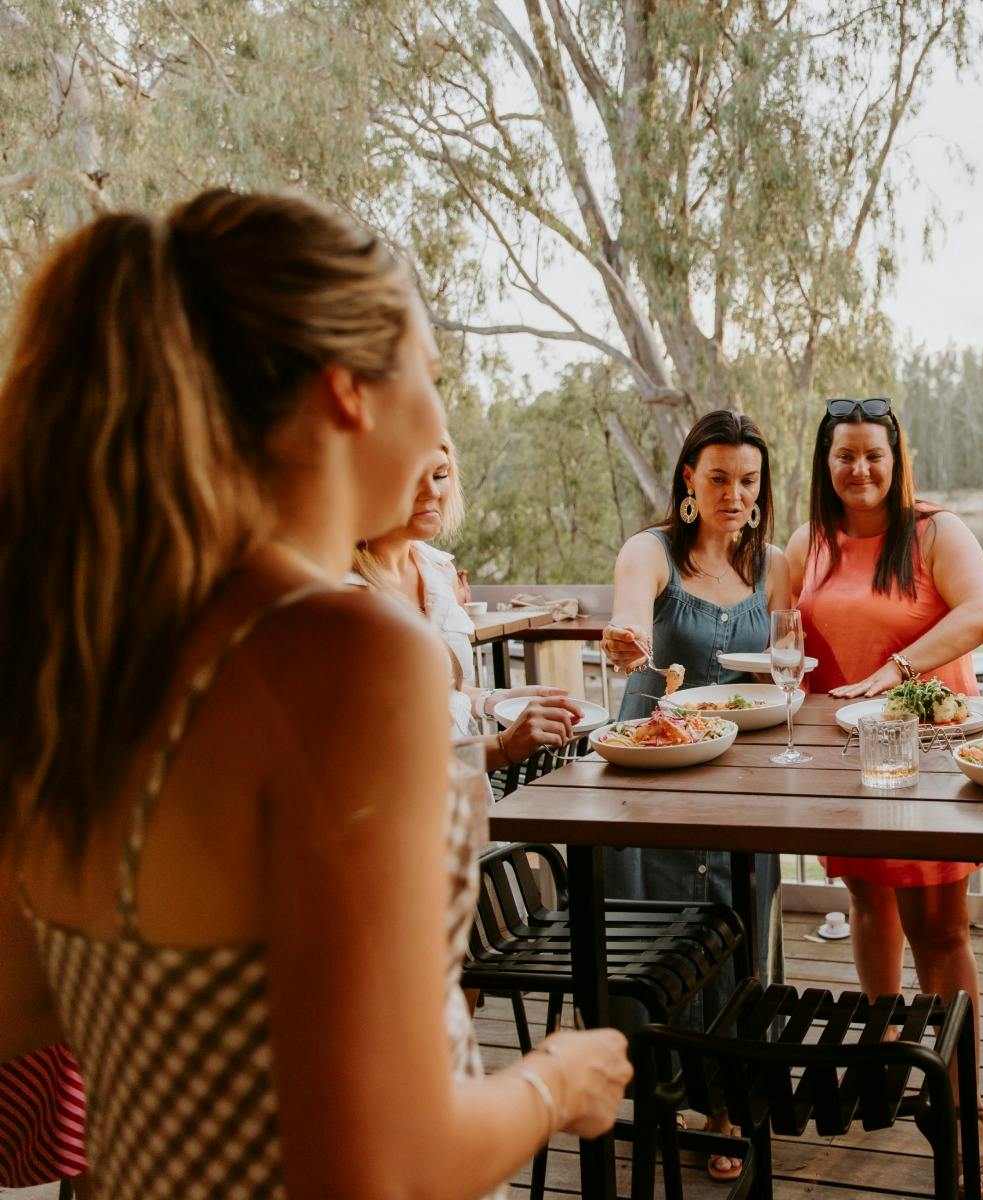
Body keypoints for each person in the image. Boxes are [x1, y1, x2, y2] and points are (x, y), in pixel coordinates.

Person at [0, 189, 631, 1197]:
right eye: (429, 373)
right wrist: (560, 1079)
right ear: (349, 391)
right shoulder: (350, 656)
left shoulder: (84, 643)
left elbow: (25, 1006)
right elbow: (381, 1167)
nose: (436, 421)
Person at [785, 395, 983, 1199]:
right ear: (826, 462)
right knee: (866, 900)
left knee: (940, 933)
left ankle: (966, 1110)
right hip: (843, 757)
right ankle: (883, 1066)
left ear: (896, 457)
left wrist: (899, 670)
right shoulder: (807, 541)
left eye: (873, 454)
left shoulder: (937, 531)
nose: (859, 470)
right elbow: (772, 624)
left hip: (930, 753)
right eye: (844, 455)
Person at [599, 409, 789, 1182]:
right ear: (689, 478)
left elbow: (794, 655)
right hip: (653, 779)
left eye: (748, 480)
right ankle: (659, 1093)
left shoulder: (776, 564)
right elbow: (627, 610)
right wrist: (625, 637)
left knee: (742, 930)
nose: (734, 493)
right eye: (718, 477)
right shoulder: (651, 552)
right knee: (654, 940)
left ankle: (727, 1101)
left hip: (743, 784)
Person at [355, 441, 580, 770]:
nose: (432, 491)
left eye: (440, 474)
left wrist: (493, 699)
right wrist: (505, 745)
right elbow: (383, 758)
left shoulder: (438, 569)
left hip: (466, 799)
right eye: (411, 476)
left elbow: (440, 691)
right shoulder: (345, 600)